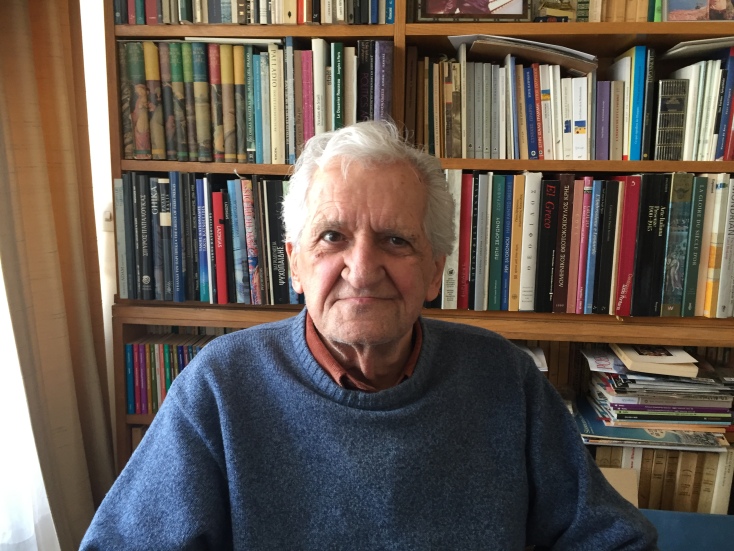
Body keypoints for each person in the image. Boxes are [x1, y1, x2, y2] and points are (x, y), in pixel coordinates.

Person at [81, 121, 658, 549]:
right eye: (332, 237)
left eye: (396, 240)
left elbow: (611, 538)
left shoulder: (503, 376)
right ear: (296, 264)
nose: (361, 270)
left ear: (434, 270)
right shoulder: (219, 385)